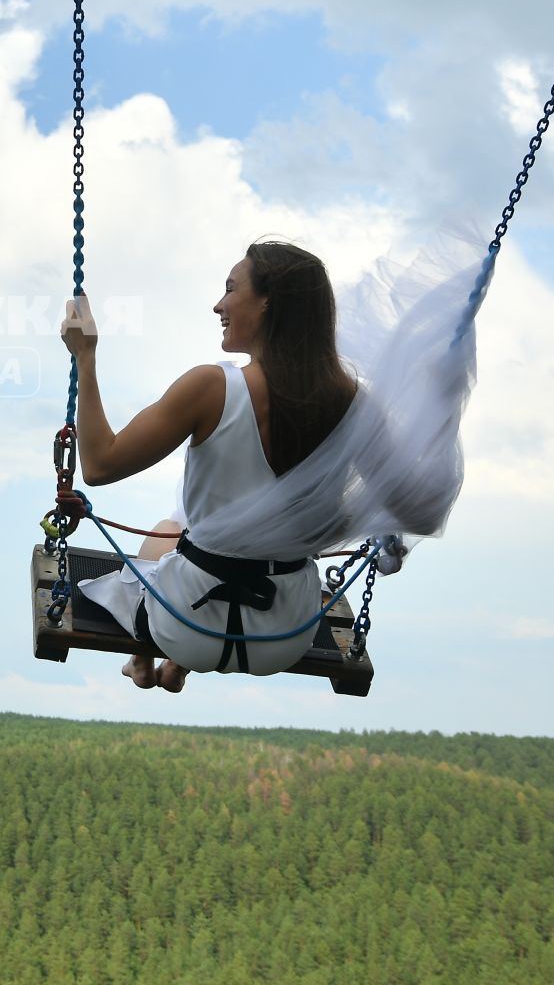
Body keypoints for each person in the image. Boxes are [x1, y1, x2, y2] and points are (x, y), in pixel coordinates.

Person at [59, 241, 358, 692]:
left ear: (267, 302)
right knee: (197, 540)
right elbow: (402, 502)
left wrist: (86, 357)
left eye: (231, 288)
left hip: (189, 626)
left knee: (166, 534)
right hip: (285, 635)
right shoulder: (348, 401)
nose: (219, 304)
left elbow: (99, 465)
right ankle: (171, 666)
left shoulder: (212, 387)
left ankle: (150, 659)